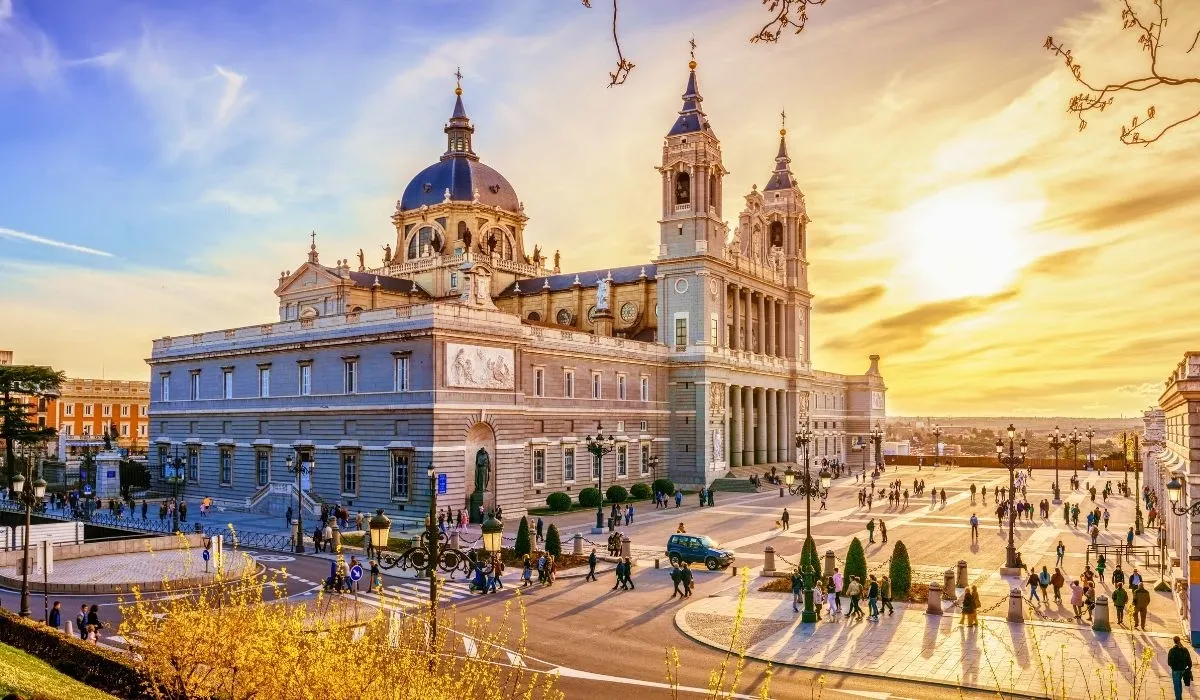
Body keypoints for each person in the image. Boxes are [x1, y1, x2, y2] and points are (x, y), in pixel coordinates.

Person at [1168, 635, 1193, 700]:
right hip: (1183, 670)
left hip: (1175, 670)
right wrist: (1189, 668)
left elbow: (1169, 662)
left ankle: (1178, 698)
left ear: (1174, 642)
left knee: (1177, 685)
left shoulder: (1172, 650)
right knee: (1179, 684)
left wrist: (1173, 667)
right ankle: (1179, 698)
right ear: (1179, 641)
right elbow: (1189, 661)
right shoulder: (1185, 650)